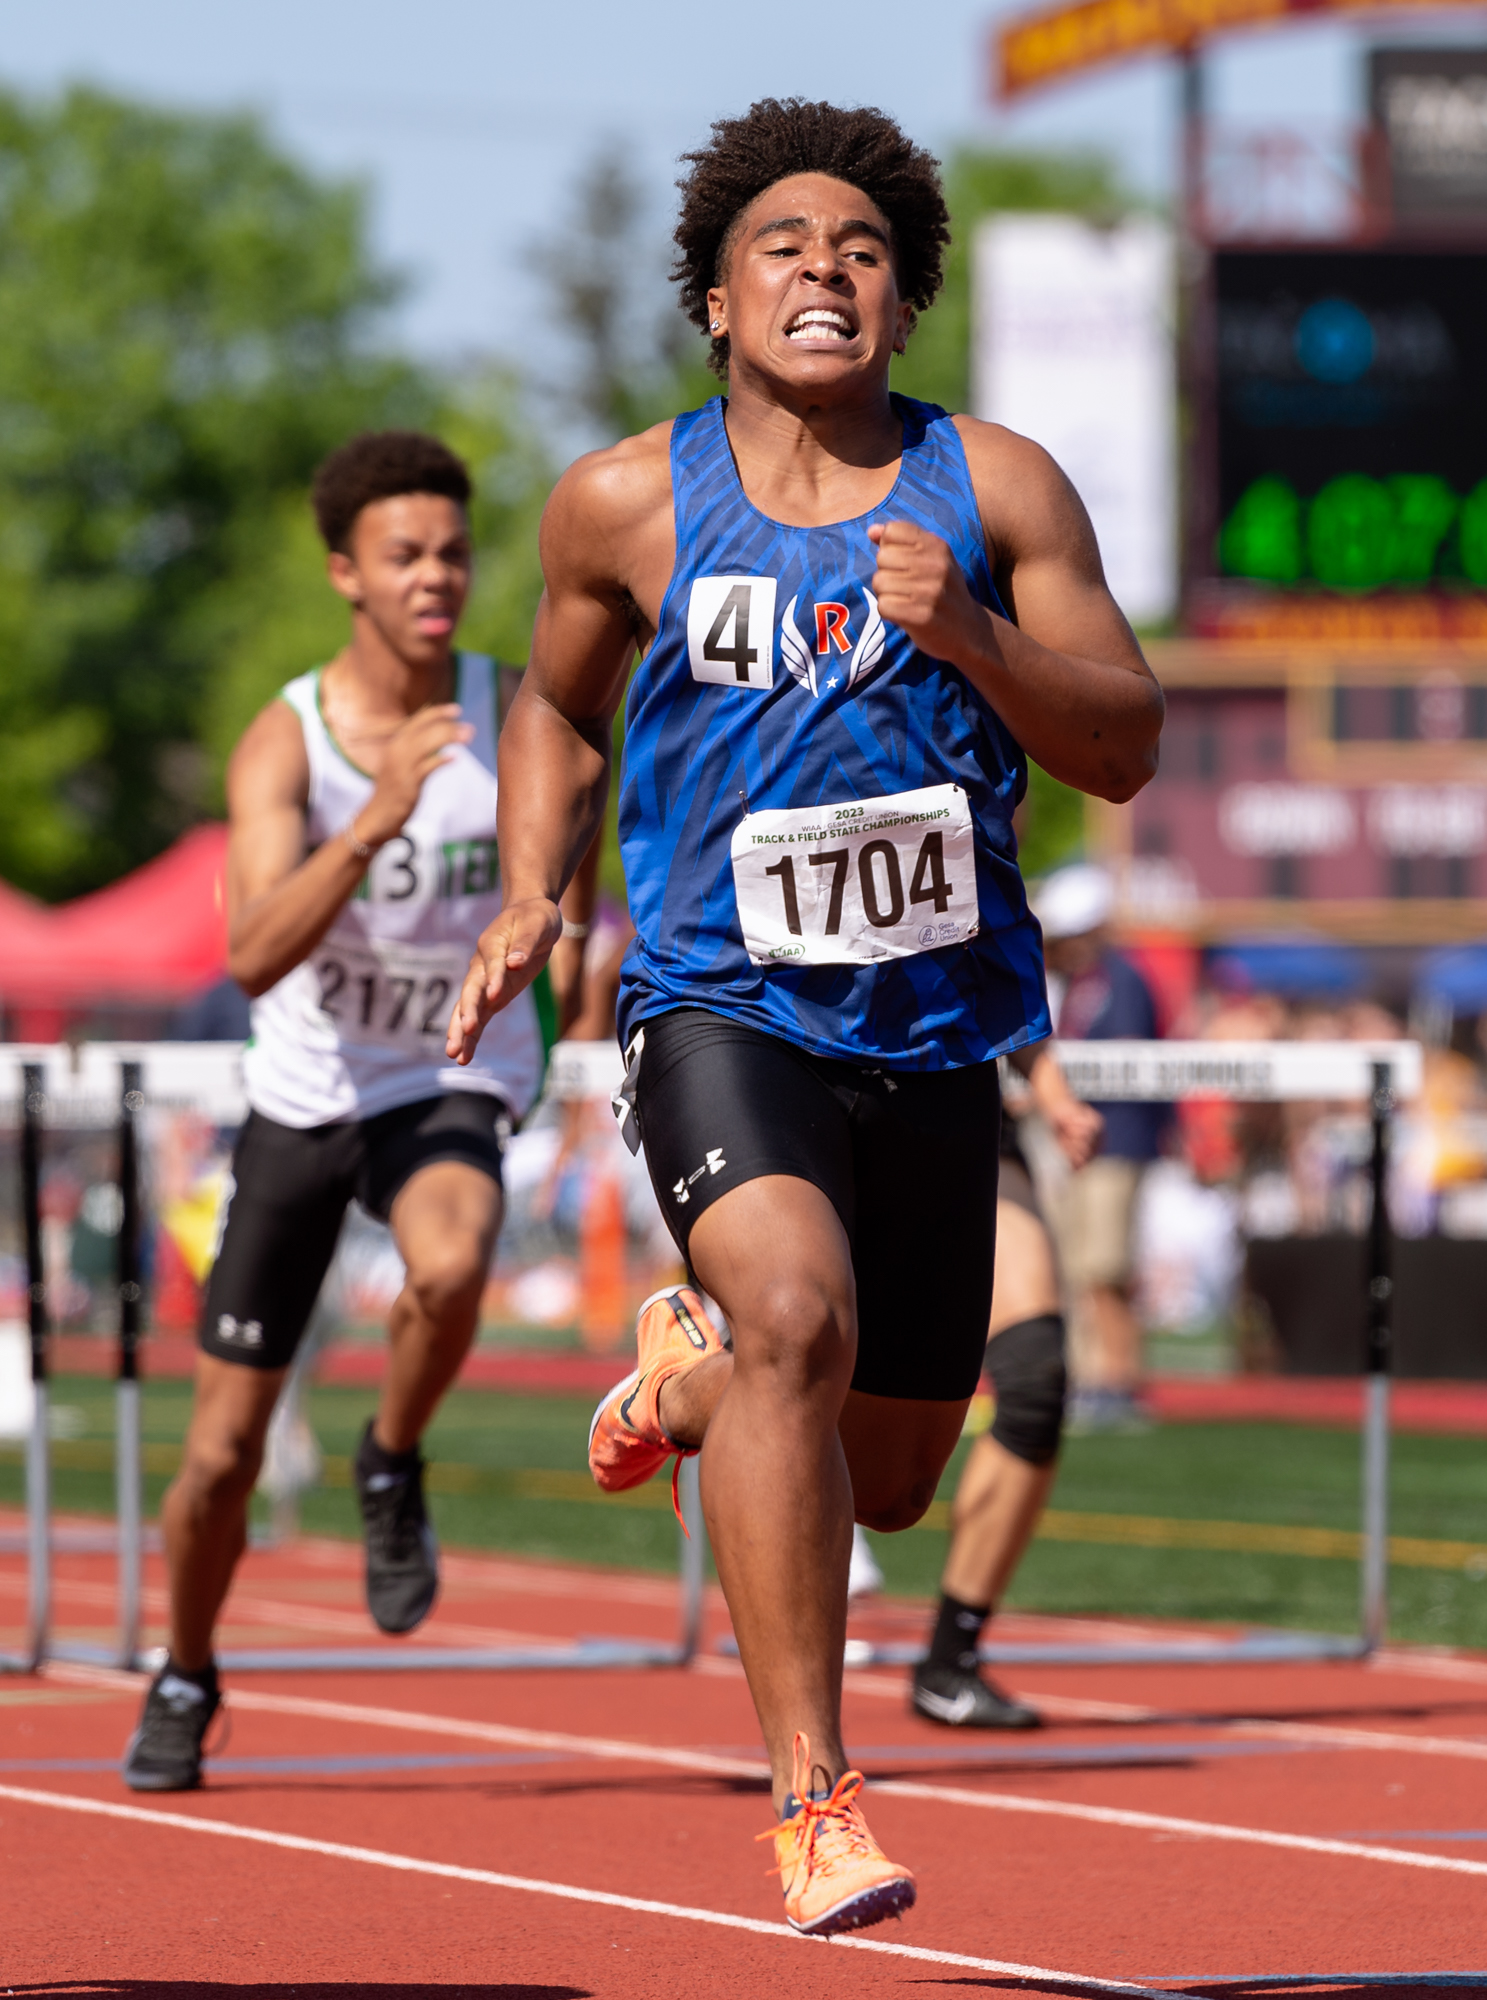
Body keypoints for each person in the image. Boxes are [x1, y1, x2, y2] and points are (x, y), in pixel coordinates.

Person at [449, 98, 1162, 1934]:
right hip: (722, 1000)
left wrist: (983, 645)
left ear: (905, 304)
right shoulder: (622, 498)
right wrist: (537, 885)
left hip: (931, 1029)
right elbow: (553, 706)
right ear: (714, 296)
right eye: (785, 245)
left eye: (862, 249)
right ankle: (816, 1800)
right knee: (798, 1311)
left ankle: (686, 1377)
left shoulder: (996, 490)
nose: (825, 271)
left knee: (898, 1475)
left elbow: (1132, 746)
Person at [123, 430, 589, 1793]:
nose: (437, 577)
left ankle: (392, 1460)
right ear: (347, 573)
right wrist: (379, 813)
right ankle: (187, 1669)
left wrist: (571, 937)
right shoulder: (292, 739)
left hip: (449, 1074)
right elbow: (255, 951)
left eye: (452, 551)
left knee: (448, 1263)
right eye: (406, 556)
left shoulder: (523, 711)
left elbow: (578, 866)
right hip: (308, 1090)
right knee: (217, 1459)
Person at [910, 1049, 1100, 1728]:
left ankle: (949, 1658)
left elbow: (1006, 961)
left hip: (963, 1108)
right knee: (811, 1374)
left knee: (1035, 1378)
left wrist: (1054, 1098)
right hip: (811, 1085)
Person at [1036, 864, 1171, 1430]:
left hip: (1116, 1142)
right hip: (1080, 1141)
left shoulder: (1122, 982)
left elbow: (1125, 1065)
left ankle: (1118, 1378)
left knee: (1107, 1267)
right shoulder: (1080, 982)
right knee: (1076, 1266)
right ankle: (1091, 1378)